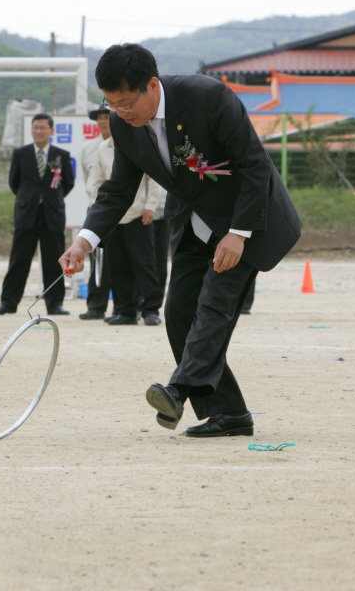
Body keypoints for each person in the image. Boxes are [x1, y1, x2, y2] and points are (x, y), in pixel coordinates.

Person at [59, 44, 303, 437]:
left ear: (152, 85)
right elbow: (118, 190)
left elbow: (255, 165)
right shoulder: (124, 124)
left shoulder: (208, 97)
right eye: (111, 105)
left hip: (247, 219)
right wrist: (83, 242)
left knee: (213, 306)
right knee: (179, 314)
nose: (120, 113)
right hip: (192, 222)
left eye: (126, 103)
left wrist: (238, 234)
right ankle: (230, 414)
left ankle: (177, 390)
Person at [0, 114, 74, 316]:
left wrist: (51, 198)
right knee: (19, 260)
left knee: (54, 261)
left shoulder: (61, 155)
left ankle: (55, 303)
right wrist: (28, 199)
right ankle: (8, 303)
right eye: (35, 127)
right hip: (26, 214)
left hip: (52, 215)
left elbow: (68, 183)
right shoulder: (20, 153)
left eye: (43, 128)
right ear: (31, 130)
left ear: (51, 131)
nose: (38, 131)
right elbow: (14, 182)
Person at [88, 134, 164, 325]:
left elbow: (153, 178)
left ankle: (150, 310)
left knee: (145, 264)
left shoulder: (138, 141)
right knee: (117, 265)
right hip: (112, 218)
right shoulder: (103, 148)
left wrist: (150, 206)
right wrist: (98, 212)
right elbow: (95, 182)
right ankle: (125, 311)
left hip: (138, 215)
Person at [79, 107, 115, 321]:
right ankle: (96, 305)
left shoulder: (126, 142)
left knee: (122, 259)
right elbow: (89, 177)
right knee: (96, 259)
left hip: (124, 210)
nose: (102, 121)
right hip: (97, 208)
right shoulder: (88, 148)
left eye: (106, 117)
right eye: (99, 118)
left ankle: (129, 306)